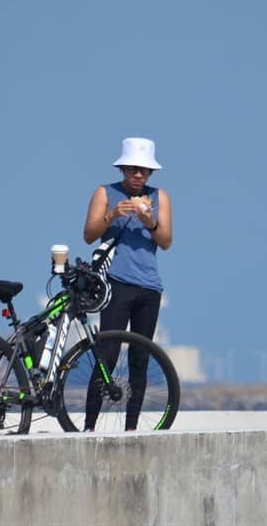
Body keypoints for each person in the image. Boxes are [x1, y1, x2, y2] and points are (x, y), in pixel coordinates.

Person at [82, 137, 173, 431]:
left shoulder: (160, 197)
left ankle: (132, 428)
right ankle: (89, 427)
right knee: (107, 356)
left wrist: (149, 221)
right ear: (123, 169)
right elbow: (88, 235)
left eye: (144, 171)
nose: (138, 175)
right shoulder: (105, 193)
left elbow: (166, 242)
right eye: (133, 169)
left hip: (149, 288)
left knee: (139, 360)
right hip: (116, 284)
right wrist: (112, 214)